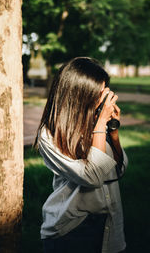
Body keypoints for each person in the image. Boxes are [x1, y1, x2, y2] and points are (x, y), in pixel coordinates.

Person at [35, 57, 128, 253]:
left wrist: (113, 132)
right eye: (99, 94)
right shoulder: (49, 134)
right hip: (72, 229)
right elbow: (93, 177)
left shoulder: (96, 120)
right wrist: (101, 124)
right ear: (80, 93)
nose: (103, 100)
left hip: (109, 225)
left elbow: (120, 169)